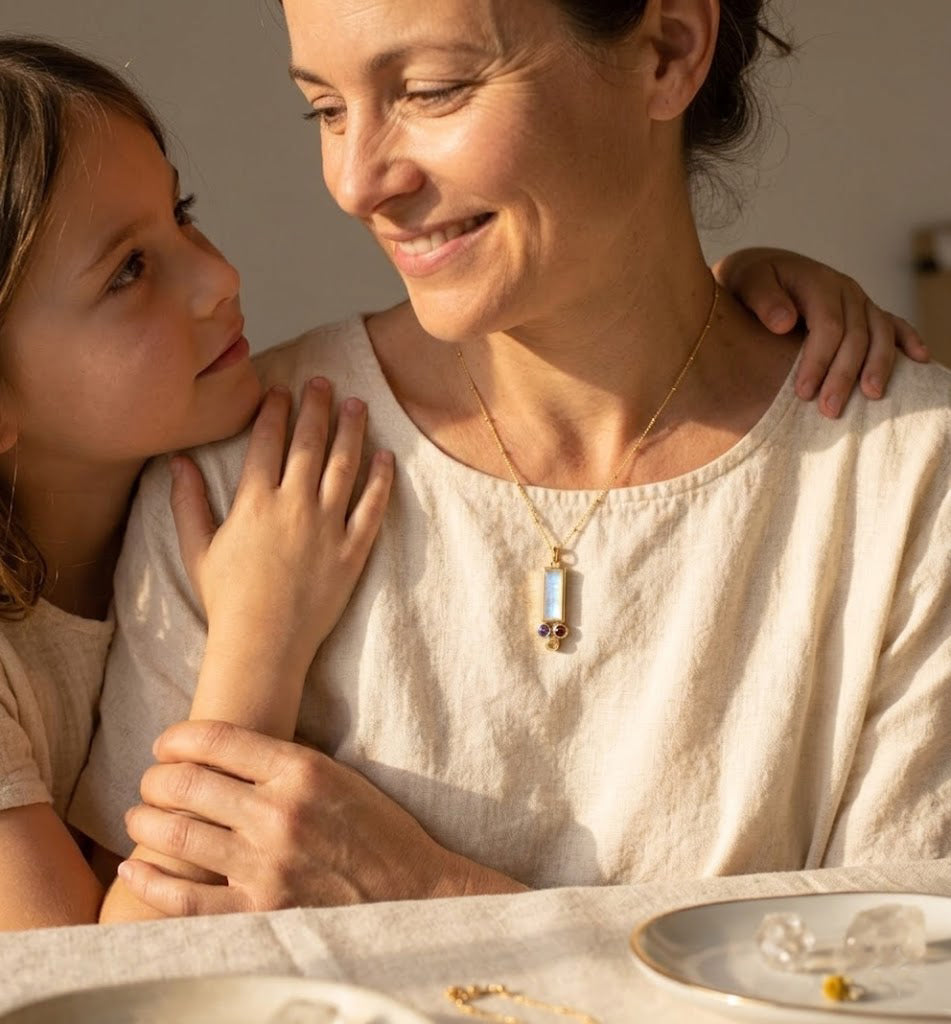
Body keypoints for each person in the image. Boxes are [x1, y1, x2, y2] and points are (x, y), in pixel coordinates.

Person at [0, 29, 926, 928]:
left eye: (433, 89)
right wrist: (257, 642)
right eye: (323, 108)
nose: (355, 183)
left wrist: (426, 895)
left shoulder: (905, 473)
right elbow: (99, 977)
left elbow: (900, 980)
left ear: (670, 50)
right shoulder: (248, 490)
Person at [0, 38, 395, 931]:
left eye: (180, 214)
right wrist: (260, 639)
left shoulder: (183, 485)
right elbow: (86, 992)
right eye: (128, 271)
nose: (220, 276)